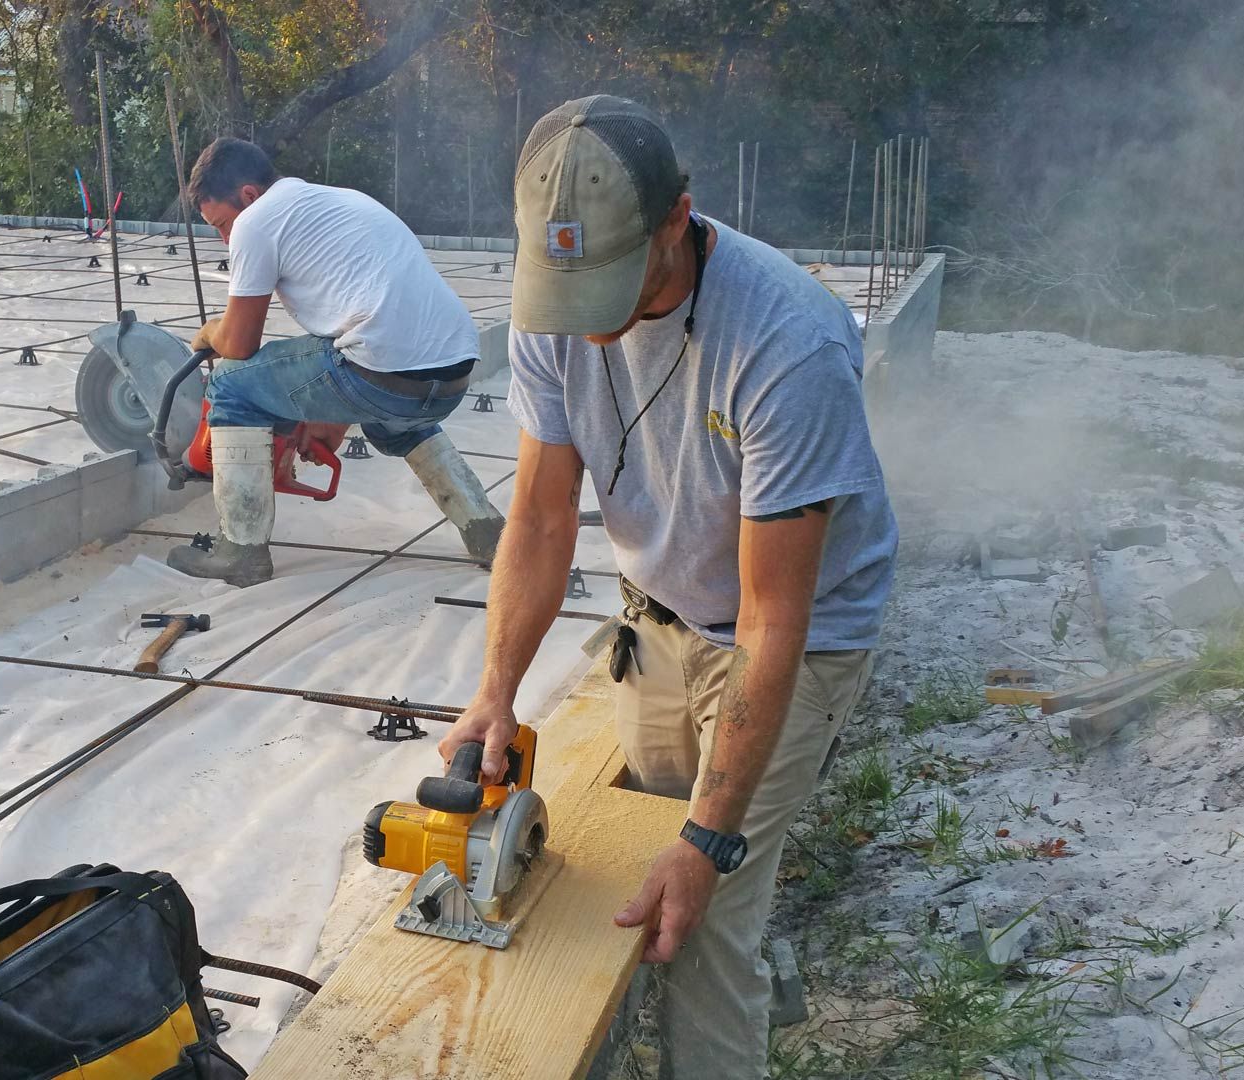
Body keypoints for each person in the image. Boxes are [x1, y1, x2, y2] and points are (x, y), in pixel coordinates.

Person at [437, 96, 898, 1077]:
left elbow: (776, 620)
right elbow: (543, 515)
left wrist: (709, 839)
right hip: (662, 615)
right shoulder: (552, 308)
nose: (585, 327)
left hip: (794, 638)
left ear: (677, 220)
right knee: (637, 854)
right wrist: (495, 693)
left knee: (703, 909)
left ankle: (724, 1014)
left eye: (610, 286)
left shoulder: (788, 343)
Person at [167, 137, 504, 586]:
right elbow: (368, 325)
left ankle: (241, 551)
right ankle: (489, 533)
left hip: (380, 373)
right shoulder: (341, 201)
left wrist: (209, 332)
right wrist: (332, 414)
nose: (225, 238)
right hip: (448, 379)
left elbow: (240, 343)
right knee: (397, 420)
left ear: (248, 196)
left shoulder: (257, 222)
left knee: (230, 383)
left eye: (222, 224)